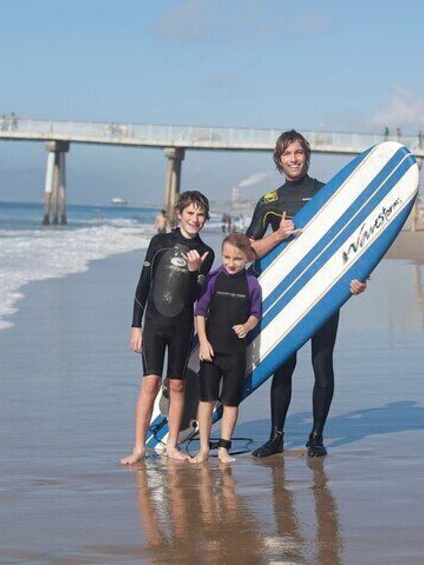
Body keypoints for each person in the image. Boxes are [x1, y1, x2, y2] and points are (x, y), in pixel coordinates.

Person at [246, 130, 367, 459]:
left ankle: (316, 436)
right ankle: (276, 437)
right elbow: (245, 251)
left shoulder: (328, 194)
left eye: (299, 152)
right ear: (278, 159)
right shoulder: (270, 202)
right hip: (284, 293)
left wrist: (360, 278)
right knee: (283, 366)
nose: (294, 158)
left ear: (307, 156)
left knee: (322, 364)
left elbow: (355, 241)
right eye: (287, 153)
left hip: (326, 288)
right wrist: (278, 237)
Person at [121, 191, 215, 465]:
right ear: (179, 214)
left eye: (200, 215)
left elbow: (197, 297)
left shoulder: (206, 252)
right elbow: (143, 285)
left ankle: (172, 445)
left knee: (177, 384)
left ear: (205, 219)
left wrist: (196, 271)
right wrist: (135, 325)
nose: (195, 219)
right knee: (150, 383)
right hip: (154, 323)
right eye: (190, 213)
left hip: (181, 326)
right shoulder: (160, 242)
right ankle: (139, 447)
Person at [191, 233, 262, 464]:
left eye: (237, 259)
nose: (231, 263)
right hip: (211, 351)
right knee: (206, 400)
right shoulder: (213, 279)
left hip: (235, 354)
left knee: (231, 401)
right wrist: (203, 342)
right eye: (227, 257)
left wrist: (247, 325)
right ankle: (203, 448)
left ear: (248, 258)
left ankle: (223, 448)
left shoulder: (252, 284)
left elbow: (255, 314)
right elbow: (200, 312)